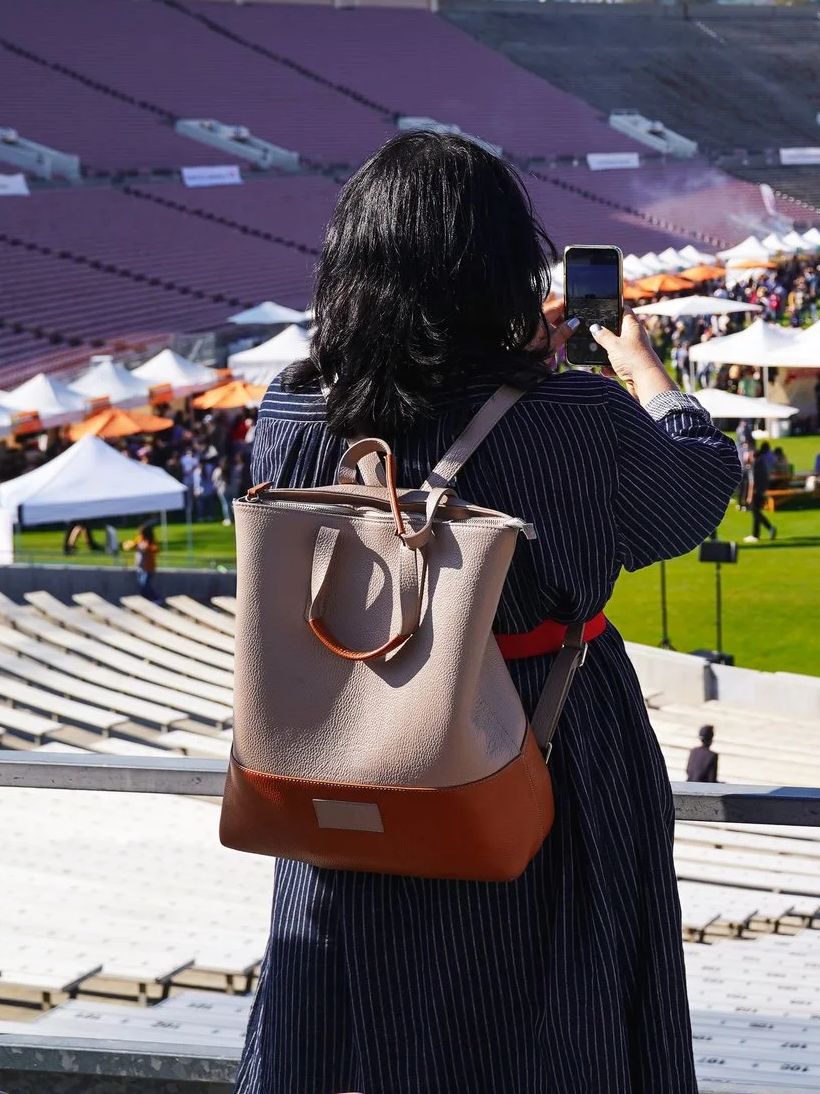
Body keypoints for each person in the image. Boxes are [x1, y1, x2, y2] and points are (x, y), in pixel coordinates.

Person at [231, 129, 739, 1092]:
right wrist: (649, 376)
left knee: (348, 1027)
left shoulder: (288, 412)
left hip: (346, 775)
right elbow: (697, 492)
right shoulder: (573, 415)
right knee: (549, 1025)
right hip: (541, 767)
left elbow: (409, 418)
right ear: (502, 269)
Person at [744, 437, 778, 542]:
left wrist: (749, 496)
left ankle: (766, 529)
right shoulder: (761, 462)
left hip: (756, 492)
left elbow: (752, 482)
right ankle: (757, 533)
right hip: (762, 490)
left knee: (755, 512)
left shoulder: (753, 466)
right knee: (756, 512)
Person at [129, 522, 160, 601]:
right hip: (140, 566)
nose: (140, 533)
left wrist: (147, 548)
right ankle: (145, 600)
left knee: (145, 584)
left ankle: (156, 598)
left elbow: (155, 549)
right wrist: (131, 545)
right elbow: (131, 545)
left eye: (141, 532)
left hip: (148, 568)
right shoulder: (139, 539)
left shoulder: (151, 541)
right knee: (140, 585)